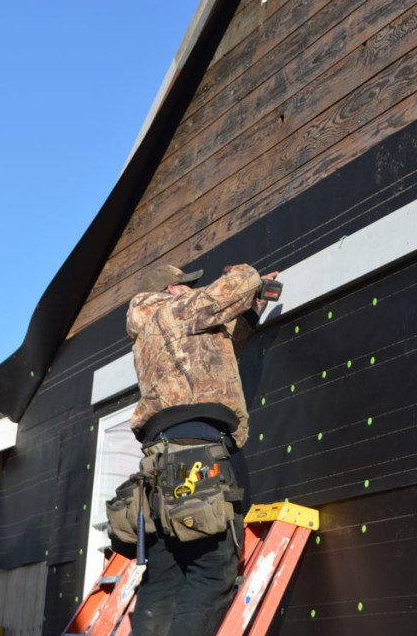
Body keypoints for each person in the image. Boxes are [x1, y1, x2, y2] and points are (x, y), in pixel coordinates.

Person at [126, 262, 276, 636]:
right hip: (193, 456)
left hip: (160, 465)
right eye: (186, 285)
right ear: (170, 290)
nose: (192, 289)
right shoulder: (174, 310)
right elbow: (233, 288)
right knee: (213, 568)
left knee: (166, 576)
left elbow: (214, 354)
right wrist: (249, 275)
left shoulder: (153, 331)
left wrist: (251, 309)